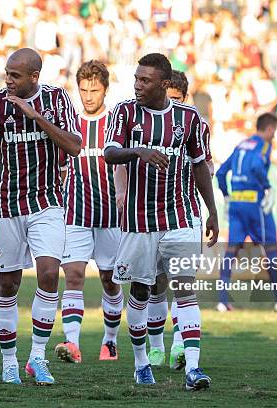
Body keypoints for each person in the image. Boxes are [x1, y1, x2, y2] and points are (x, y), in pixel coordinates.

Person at [104, 53, 219, 390]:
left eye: (145, 80)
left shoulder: (189, 118)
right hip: (139, 221)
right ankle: (142, 363)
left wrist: (211, 209)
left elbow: (199, 164)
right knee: (141, 290)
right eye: (137, 79)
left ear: (164, 85)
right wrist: (138, 152)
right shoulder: (125, 111)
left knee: (185, 289)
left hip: (181, 217)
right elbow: (109, 153)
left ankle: (193, 369)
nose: (138, 85)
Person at [0, 48, 81, 385]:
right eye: (6, 73)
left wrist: (35, 116)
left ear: (34, 77)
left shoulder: (56, 99)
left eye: (15, 75)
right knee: (7, 284)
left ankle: (37, 357)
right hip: (7, 205)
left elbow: (74, 146)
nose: (8, 80)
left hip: (47, 202)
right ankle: (9, 361)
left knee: (50, 274)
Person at [55, 60, 126, 364]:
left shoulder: (116, 122)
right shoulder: (70, 124)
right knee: (73, 275)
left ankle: (109, 342)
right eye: (83, 90)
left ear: (105, 90)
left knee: (110, 280)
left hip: (112, 216)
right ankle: (72, 344)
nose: (87, 96)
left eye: (94, 90)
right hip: (76, 214)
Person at [146, 70, 214, 370]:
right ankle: (157, 346)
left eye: (173, 98)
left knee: (183, 285)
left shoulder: (194, 124)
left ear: (183, 98)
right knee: (155, 285)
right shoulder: (146, 121)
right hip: (149, 217)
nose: (167, 104)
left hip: (185, 216)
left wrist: (205, 175)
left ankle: (179, 348)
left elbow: (206, 163)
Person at [216, 112, 277, 313]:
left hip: (237, 205)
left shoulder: (241, 145)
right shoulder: (264, 145)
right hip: (255, 205)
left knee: (231, 252)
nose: (274, 135)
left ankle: (222, 301)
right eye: (274, 131)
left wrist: (227, 196)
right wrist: (267, 187)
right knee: (271, 250)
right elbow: (257, 166)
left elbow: (221, 173)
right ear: (270, 129)